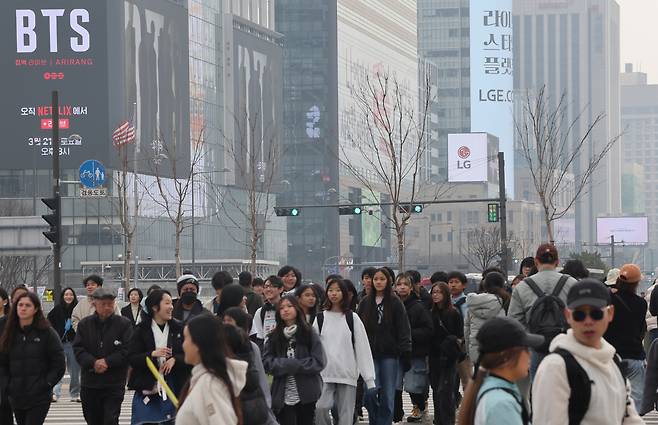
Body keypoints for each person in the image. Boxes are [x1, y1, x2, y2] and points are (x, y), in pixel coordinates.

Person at [532, 279, 644, 425]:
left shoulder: (614, 361)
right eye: (579, 315)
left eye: (596, 314)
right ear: (568, 316)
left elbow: (630, 418)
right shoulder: (556, 367)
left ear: (610, 313)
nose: (588, 321)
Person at [457, 317, 543, 425]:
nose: (529, 354)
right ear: (506, 356)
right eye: (525, 349)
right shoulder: (501, 404)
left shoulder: (494, 390)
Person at [507, 243, 577, 375]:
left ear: (536, 261)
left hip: (536, 348)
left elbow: (514, 323)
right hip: (566, 348)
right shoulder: (572, 284)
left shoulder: (522, 287)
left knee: (539, 391)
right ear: (557, 262)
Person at [313, 277, 376, 425]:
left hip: (347, 373)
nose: (334, 294)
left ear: (345, 294)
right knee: (320, 408)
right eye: (330, 290)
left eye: (338, 290)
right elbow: (313, 346)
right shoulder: (320, 318)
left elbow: (362, 348)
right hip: (324, 373)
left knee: (346, 415)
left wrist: (369, 378)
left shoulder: (352, 318)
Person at [357, 267, 412, 425]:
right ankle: (376, 420)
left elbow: (404, 328)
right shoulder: (365, 302)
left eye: (382, 279)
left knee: (388, 395)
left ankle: (384, 422)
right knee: (370, 392)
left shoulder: (395, 302)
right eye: (376, 279)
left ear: (388, 281)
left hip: (390, 355)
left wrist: (406, 350)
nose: (378, 282)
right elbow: (357, 329)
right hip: (369, 355)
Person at [0, 292, 64, 425]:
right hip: (16, 395)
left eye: (28, 305)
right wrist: (7, 385)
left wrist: (46, 384)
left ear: (35, 309)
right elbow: (3, 363)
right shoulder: (10, 333)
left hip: (39, 396)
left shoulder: (47, 333)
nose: (23, 308)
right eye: (20, 305)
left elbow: (58, 364)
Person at [128, 289, 190, 425]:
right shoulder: (141, 330)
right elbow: (131, 357)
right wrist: (151, 354)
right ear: (155, 307)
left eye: (171, 303)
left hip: (174, 384)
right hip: (148, 386)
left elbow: (190, 355)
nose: (171, 307)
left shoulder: (179, 328)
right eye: (167, 303)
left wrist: (175, 359)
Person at [263, 295, 326, 424]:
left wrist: (296, 365)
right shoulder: (274, 337)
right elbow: (267, 363)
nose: (285, 310)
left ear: (297, 309)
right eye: (281, 308)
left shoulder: (309, 333)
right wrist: (285, 364)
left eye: (289, 306)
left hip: (307, 394)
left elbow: (319, 362)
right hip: (282, 395)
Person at [73, 288, 133, 425]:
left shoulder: (124, 324)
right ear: (94, 304)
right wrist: (93, 362)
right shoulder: (84, 324)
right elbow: (78, 349)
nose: (107, 307)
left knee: (110, 419)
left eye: (110, 304)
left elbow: (128, 350)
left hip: (114, 382)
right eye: (103, 304)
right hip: (90, 382)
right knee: (93, 419)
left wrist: (107, 362)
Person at [176, 314, 248, 425]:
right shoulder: (201, 380)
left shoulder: (209, 385)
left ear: (198, 344)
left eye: (186, 338)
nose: (183, 345)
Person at [603, 264, 648, 409]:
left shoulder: (610, 301)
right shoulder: (641, 304)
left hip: (612, 356)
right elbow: (641, 329)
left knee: (610, 397)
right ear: (636, 283)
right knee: (634, 400)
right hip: (634, 355)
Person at [394, 273, 433, 423]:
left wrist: (407, 333)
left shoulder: (418, 307)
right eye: (399, 284)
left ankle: (420, 405)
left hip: (415, 353)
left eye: (405, 284)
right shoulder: (392, 305)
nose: (402, 287)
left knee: (413, 385)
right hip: (395, 353)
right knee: (395, 385)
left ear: (411, 287)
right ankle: (398, 413)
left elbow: (428, 329)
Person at [429, 282, 463, 425]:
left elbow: (460, 335)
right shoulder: (430, 313)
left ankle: (447, 421)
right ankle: (439, 419)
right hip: (434, 356)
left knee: (446, 391)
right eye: (434, 292)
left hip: (449, 357)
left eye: (439, 292)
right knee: (436, 391)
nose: (436, 295)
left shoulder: (453, 312)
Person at [465, 272, 508, 364]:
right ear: (502, 285)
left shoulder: (472, 303)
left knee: (479, 376)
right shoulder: (505, 302)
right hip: (498, 350)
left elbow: (467, 329)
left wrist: (468, 350)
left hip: (476, 349)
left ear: (484, 285)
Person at [48, 287, 81, 402]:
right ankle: (55, 394)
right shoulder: (56, 310)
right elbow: (49, 324)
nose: (68, 297)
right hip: (59, 343)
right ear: (62, 296)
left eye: (71, 294)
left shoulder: (77, 308)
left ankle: (75, 394)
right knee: (58, 368)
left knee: (75, 370)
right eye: (66, 294)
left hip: (73, 343)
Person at [250, 275, 284, 349]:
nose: (268, 289)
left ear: (281, 289)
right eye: (265, 287)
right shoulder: (260, 312)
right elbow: (259, 338)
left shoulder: (287, 309)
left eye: (272, 286)